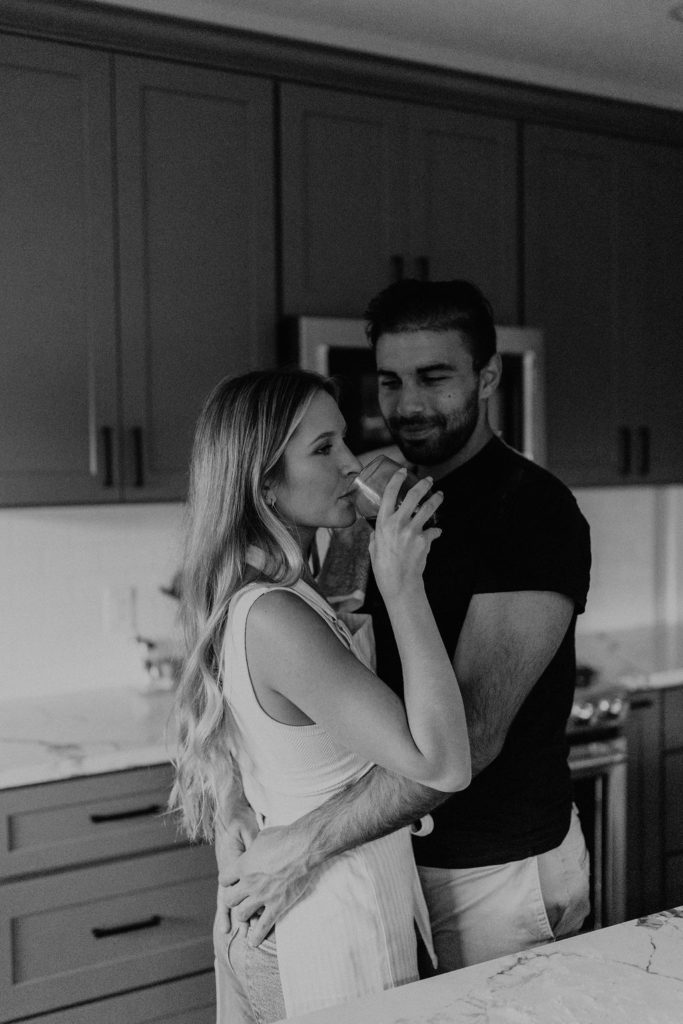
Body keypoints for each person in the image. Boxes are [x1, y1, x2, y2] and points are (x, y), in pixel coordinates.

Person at [218, 279, 592, 975]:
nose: (407, 404)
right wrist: (363, 528)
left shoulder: (531, 513)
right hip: (389, 860)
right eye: (390, 381)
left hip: (492, 870)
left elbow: (467, 742)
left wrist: (304, 842)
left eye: (433, 377)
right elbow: (337, 652)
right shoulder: (371, 497)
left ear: (486, 376)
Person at [169, 368, 471, 1022]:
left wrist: (362, 535)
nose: (352, 462)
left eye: (344, 442)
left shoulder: (267, 593)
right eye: (323, 448)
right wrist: (404, 585)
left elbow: (331, 627)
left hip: (312, 904)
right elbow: (443, 763)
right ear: (265, 484)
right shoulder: (277, 619)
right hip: (328, 924)